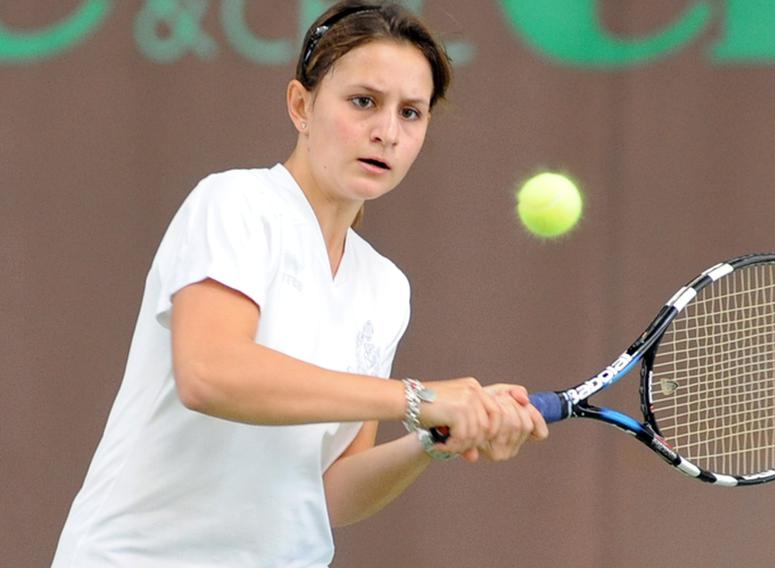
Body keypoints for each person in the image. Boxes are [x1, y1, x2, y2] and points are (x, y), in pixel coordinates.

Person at [51, 2, 547, 567]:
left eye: (411, 113)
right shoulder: (235, 203)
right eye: (364, 102)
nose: (386, 132)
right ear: (301, 105)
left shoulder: (386, 288)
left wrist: (430, 437)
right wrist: (419, 398)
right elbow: (209, 373)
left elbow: (331, 489)